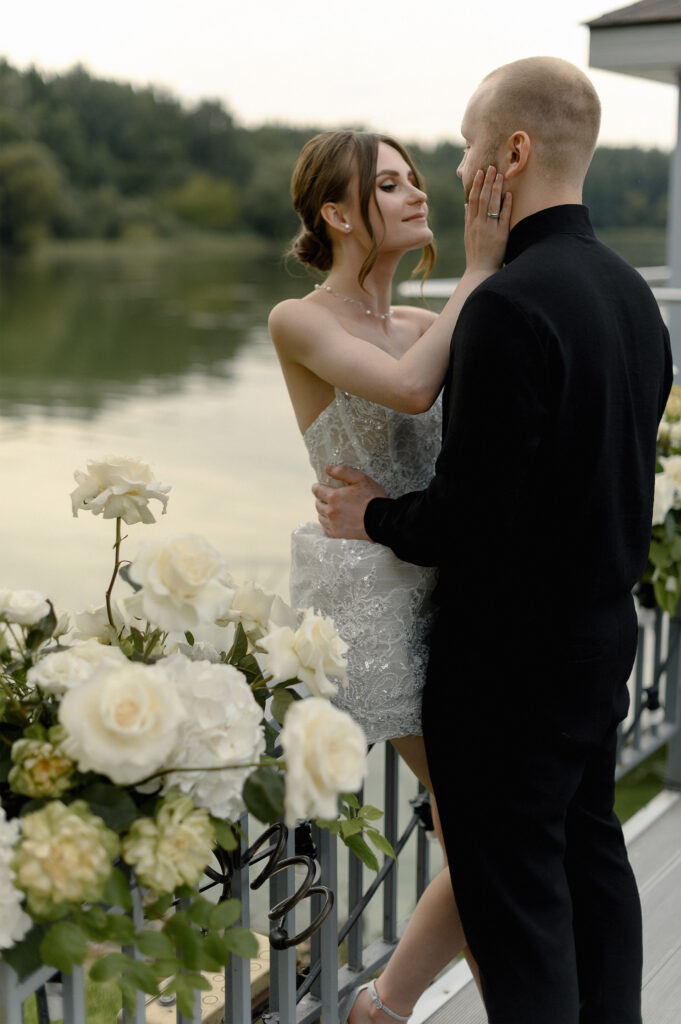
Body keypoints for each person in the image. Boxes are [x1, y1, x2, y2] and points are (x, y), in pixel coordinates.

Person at [312, 58, 673, 1024]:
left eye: (470, 148)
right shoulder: (628, 293)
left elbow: (465, 517)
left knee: (517, 913)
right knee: (592, 861)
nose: (459, 169)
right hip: (600, 642)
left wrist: (372, 515)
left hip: (508, 668)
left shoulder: (509, 303)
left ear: (511, 155)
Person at [269, 129, 511, 1021]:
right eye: (389, 185)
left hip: (442, 578)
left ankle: (383, 1006)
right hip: (369, 599)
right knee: (484, 826)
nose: (417, 194)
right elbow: (409, 391)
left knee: (481, 827)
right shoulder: (299, 319)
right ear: (336, 214)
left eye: (415, 179)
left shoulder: (418, 324)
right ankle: (401, 1003)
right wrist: (478, 268)